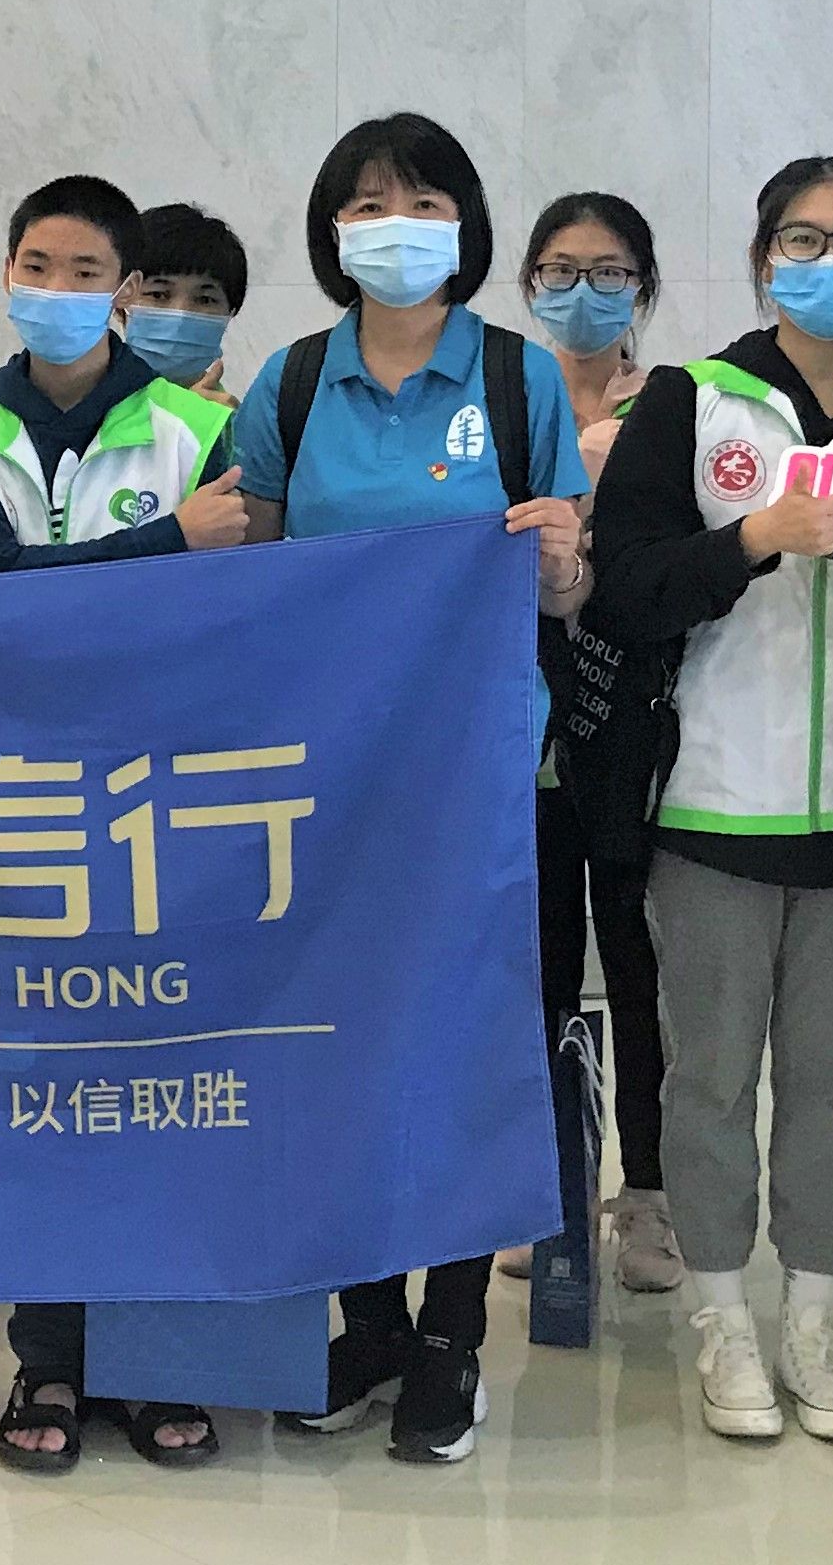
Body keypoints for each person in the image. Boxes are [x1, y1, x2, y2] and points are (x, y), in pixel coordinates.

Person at [588, 160, 833, 1446]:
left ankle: (809, 1320)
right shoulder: (693, 400)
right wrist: (754, 540)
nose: (827, 264)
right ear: (762, 261)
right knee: (705, 1081)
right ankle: (720, 1317)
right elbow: (623, 587)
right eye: (802, 241)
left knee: (831, 1085)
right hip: (712, 803)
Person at [234, 113, 590, 1466]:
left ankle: (449, 1333)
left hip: (476, 779)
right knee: (334, 1044)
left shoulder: (512, 378)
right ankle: (367, 1320)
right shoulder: (288, 385)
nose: (397, 225)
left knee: (457, 1052)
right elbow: (254, 582)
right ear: (332, 230)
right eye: (370, 202)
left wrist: (556, 561)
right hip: (321, 781)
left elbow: (567, 586)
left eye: (424, 201)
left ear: (465, 226)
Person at [0, 174, 249, 1474]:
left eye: (81, 272)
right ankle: (48, 1356)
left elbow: (222, 612)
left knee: (159, 1075)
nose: (53, 291)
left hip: (164, 785)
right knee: (36, 1084)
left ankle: (154, 1353)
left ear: (120, 290)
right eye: (33, 265)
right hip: (13, 796)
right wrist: (165, 541)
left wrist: (180, 553)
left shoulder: (196, 425)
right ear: (6, 271)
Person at [512, 192, 683, 1305]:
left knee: (635, 964)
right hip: (518, 732)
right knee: (534, 971)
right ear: (530, 284)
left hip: (630, 732)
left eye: (609, 272)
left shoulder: (673, 409)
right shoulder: (505, 400)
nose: (584, 292)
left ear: (642, 288)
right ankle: (546, 1189)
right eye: (561, 271)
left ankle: (650, 1198)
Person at [121, 202, 248, 402]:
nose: (181, 314)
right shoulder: (81, 404)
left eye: (205, 299)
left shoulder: (231, 417)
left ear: (230, 313)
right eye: (158, 295)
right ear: (119, 303)